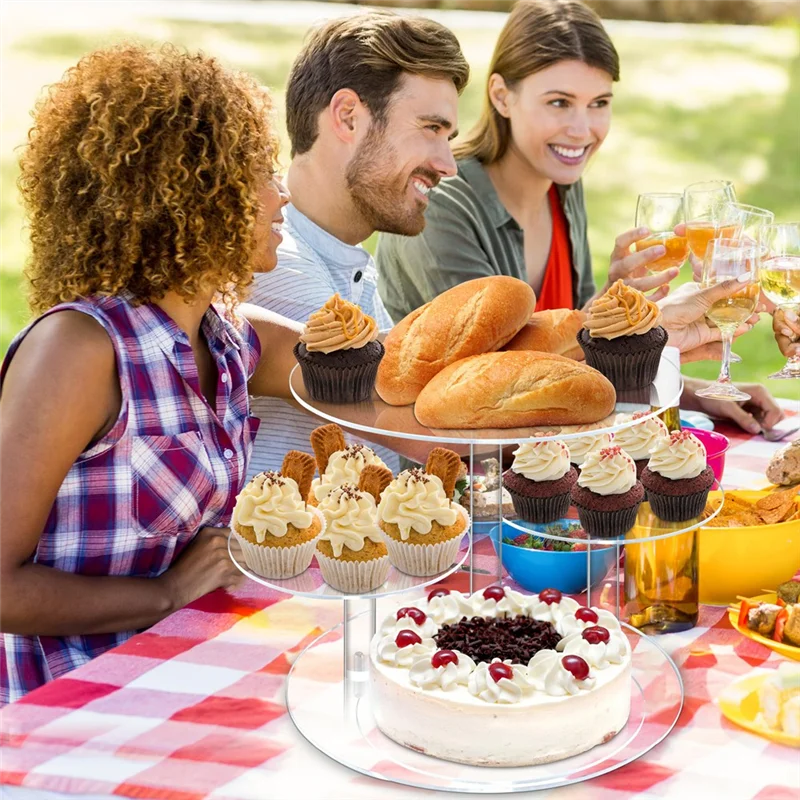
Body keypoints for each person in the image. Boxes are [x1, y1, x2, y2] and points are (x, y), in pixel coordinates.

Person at [0, 45, 303, 703]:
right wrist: (165, 594)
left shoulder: (228, 336)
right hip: (65, 711)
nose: (283, 195)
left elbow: (375, 369)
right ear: (194, 192)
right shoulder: (80, 350)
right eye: (261, 171)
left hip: (183, 684)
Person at [375, 0, 784, 431]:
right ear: (501, 96)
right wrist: (642, 330)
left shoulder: (561, 185)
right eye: (559, 102)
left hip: (541, 449)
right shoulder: (442, 204)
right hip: (451, 459)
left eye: (599, 103)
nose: (582, 129)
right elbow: (488, 387)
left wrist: (687, 386)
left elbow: (565, 365)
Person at [246, 11, 470, 477]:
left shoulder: (349, 262)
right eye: (431, 128)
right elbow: (436, 431)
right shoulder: (275, 265)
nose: (448, 164)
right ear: (348, 117)